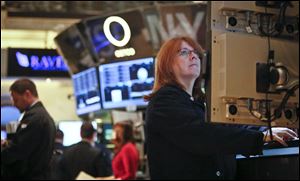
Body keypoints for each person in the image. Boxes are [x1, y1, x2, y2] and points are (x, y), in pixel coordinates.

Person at [144, 36, 298, 179]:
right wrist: (259, 138)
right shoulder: (163, 101)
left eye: (196, 53)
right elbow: (203, 134)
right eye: (184, 52)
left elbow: (228, 125)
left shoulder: (199, 101)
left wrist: (264, 131)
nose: (193, 56)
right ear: (166, 64)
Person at [1, 78, 56, 179]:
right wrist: (6, 144)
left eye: (15, 99)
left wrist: (5, 151)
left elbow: (18, 152)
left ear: (27, 94)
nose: (14, 104)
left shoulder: (35, 118)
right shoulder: (41, 116)